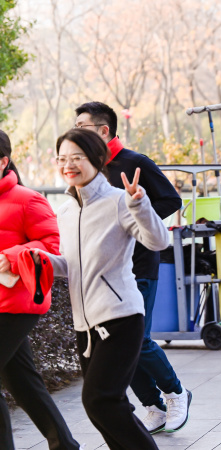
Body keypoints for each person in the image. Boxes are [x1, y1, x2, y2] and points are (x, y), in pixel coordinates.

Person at [42, 128, 170, 449]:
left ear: (98, 160)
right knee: (105, 406)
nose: (68, 165)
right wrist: (37, 260)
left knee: (100, 400)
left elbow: (159, 241)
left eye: (77, 158)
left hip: (120, 318)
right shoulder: (66, 210)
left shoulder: (118, 200)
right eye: (62, 159)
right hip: (85, 327)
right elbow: (70, 265)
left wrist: (139, 204)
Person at [74, 101, 190, 434]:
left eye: (82, 127)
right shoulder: (89, 170)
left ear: (103, 130)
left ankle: (176, 393)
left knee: (138, 341)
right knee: (122, 345)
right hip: (104, 269)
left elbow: (171, 200)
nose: (77, 133)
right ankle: (152, 405)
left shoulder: (135, 162)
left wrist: (137, 216)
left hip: (139, 265)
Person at [0, 130, 81, 450]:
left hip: (18, 303)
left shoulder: (27, 199)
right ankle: (64, 444)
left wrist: (11, 256)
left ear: (3, 161)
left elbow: (52, 246)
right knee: (22, 382)